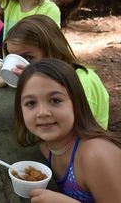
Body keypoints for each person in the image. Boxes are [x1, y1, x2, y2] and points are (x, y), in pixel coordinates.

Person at [14, 58, 121, 202]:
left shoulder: (96, 155)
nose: (42, 112)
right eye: (31, 103)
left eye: (55, 100)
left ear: (77, 102)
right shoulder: (46, 148)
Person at [0, 14, 109, 129]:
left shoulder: (83, 82)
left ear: (54, 52)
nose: (18, 65)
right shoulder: (44, 79)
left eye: (28, 58)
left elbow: (78, 129)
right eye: (13, 57)